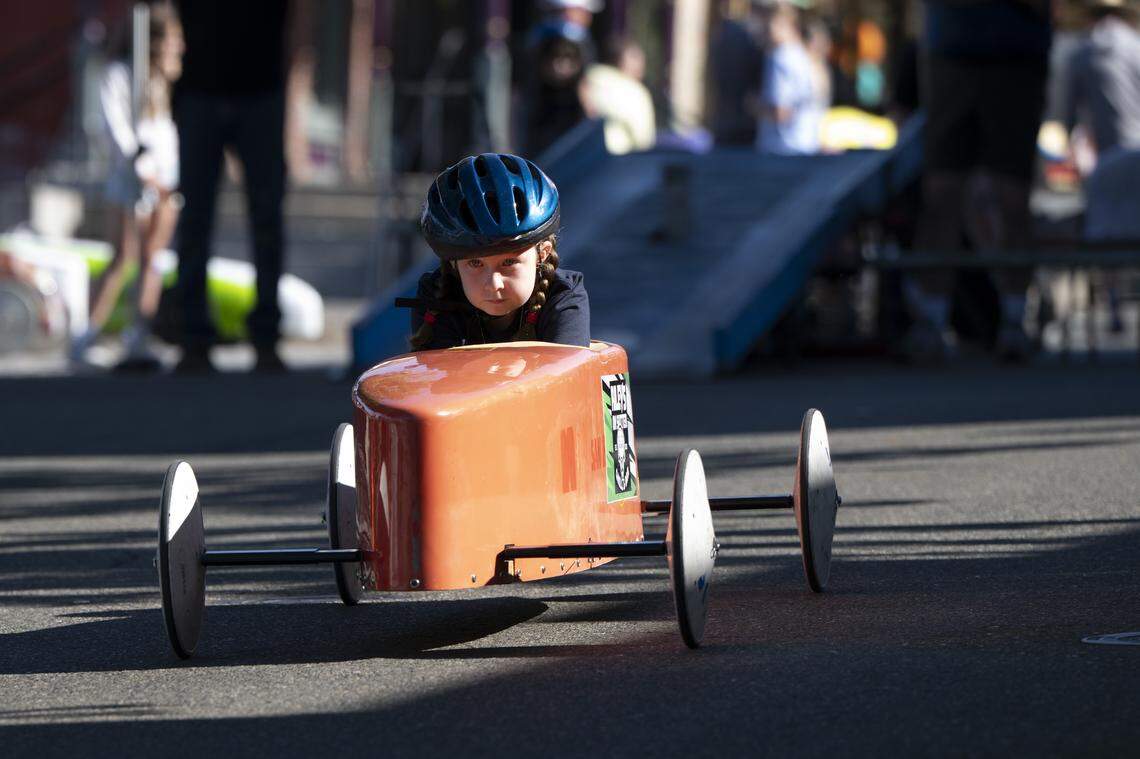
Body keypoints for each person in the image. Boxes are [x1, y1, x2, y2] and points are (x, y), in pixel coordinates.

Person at [905, 0, 1052, 362]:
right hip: (951, 52)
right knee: (941, 196)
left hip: (1015, 54)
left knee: (1012, 197)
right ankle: (932, 321)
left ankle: (1016, 320)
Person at [172, 0, 290, 373]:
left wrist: (296, 97)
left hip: (262, 89)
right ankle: (193, 340)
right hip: (200, 89)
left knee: (267, 217)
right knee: (194, 219)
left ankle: (266, 338)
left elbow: (302, 23)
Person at [70, 2, 183, 372]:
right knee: (123, 256)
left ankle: (140, 334)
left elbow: (166, 132)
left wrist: (166, 177)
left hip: (164, 179)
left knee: (153, 259)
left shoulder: (163, 81)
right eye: (170, 39)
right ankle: (86, 334)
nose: (177, 47)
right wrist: (140, 165)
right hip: (129, 178)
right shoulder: (119, 74)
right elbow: (116, 128)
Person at [407, 153, 590, 350]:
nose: (494, 284)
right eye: (475, 263)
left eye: (509, 262)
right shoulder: (436, 296)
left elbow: (567, 373)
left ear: (542, 253)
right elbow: (435, 376)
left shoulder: (563, 296)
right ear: (454, 264)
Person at [757, 2, 825, 156]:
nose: (767, 30)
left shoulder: (781, 56)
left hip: (782, 150)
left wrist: (753, 107)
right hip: (806, 145)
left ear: (787, 24)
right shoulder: (803, 55)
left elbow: (781, 112)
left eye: (771, 23)